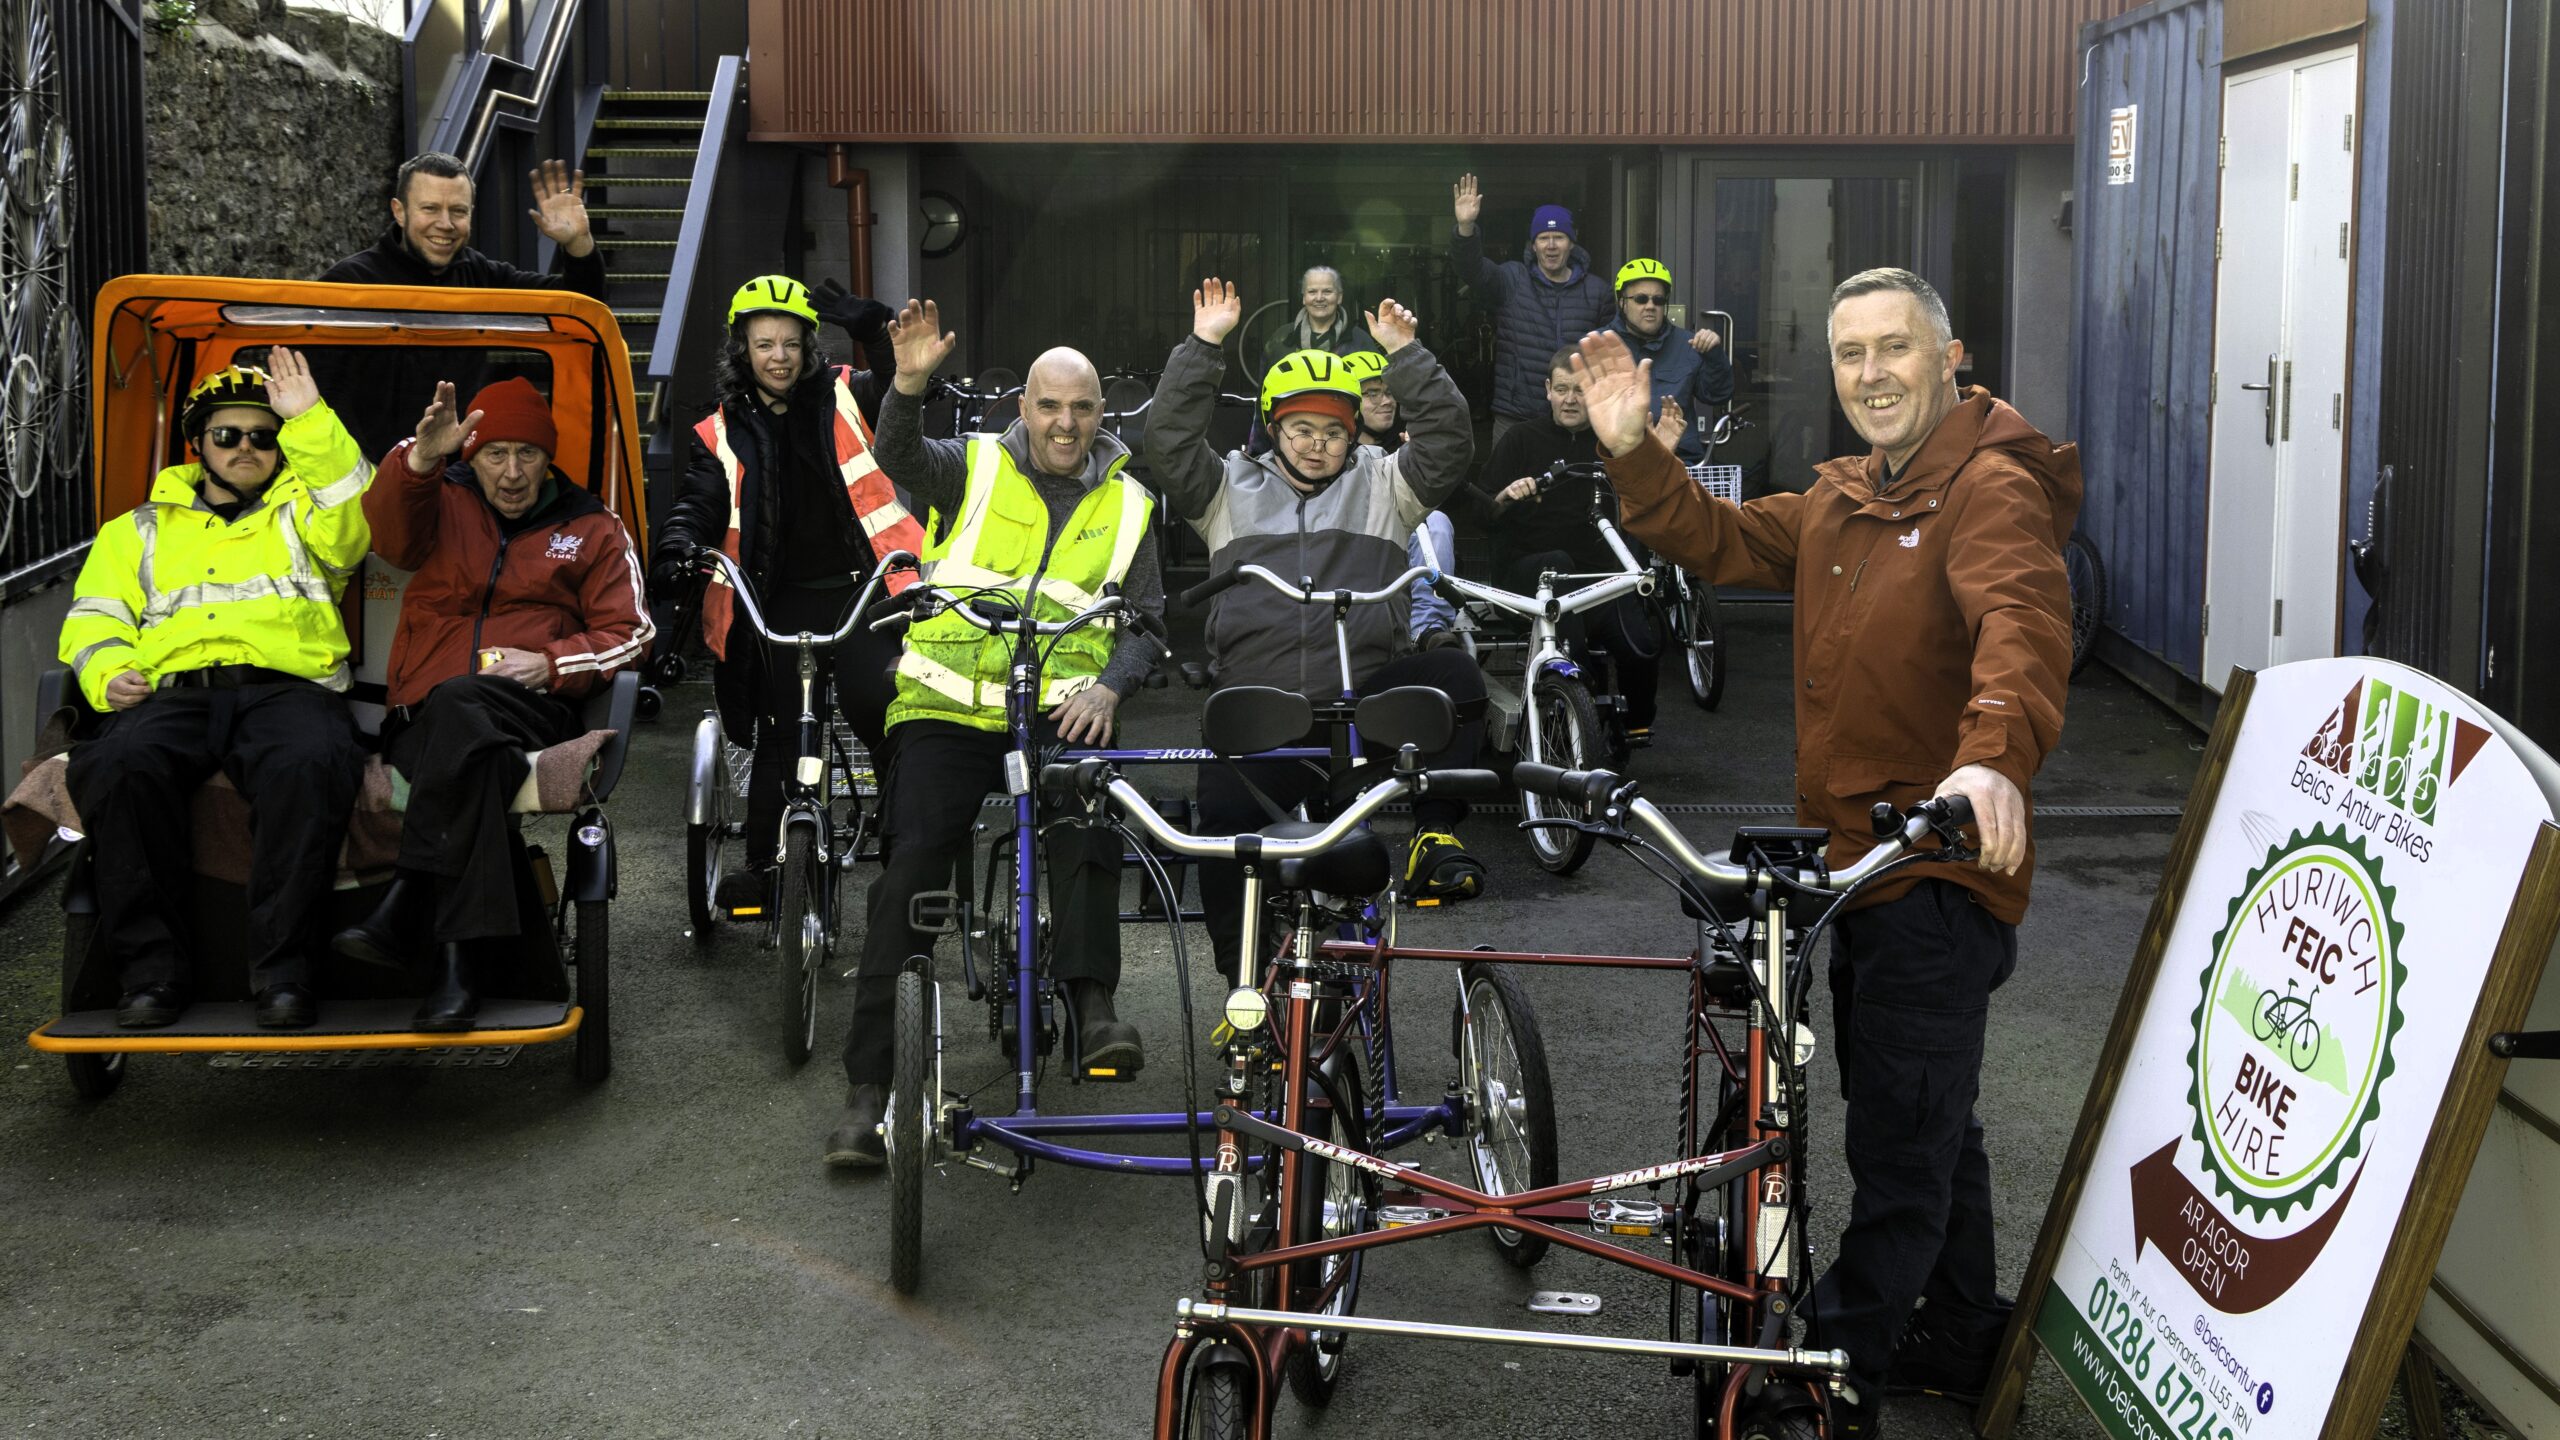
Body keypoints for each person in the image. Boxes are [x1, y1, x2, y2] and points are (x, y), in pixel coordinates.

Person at [1582, 267, 2078, 1436]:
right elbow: (1711, 537)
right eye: (1850, 353)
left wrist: (1992, 759)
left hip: (1934, 872)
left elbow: (2019, 619)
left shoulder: (1988, 489)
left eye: (1893, 348)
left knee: (1898, 1146)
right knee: (1930, 1117)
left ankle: (1825, 1374)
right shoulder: (1847, 498)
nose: (1869, 373)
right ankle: (1956, 1332)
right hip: (1854, 868)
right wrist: (1632, 452)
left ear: (1948, 358)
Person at [821, 301, 1165, 1167]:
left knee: (1087, 831)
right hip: (947, 710)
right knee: (910, 871)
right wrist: (907, 385)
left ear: (1101, 414)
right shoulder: (970, 465)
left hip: (1063, 709)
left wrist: (1112, 687)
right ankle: (870, 1090)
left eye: (1081, 408)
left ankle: (1091, 1005)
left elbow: (1147, 623)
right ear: (1024, 408)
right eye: (1050, 406)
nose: (1065, 424)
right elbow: (896, 456)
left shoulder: (1130, 504)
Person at [1148, 278, 1486, 976]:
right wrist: (1204, 346)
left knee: (1455, 675)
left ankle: (1435, 833)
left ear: (1353, 433)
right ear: (1273, 428)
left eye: (1333, 432)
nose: (1316, 445)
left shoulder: (1387, 484)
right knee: (1225, 833)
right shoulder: (1225, 490)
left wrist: (1406, 354)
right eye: (1301, 429)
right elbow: (1169, 443)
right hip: (1262, 707)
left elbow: (1451, 443)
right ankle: (1243, 985)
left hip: (1360, 703)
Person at [58, 352, 373, 1030]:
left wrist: (309, 422)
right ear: (197, 444)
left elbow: (353, 515)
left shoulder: (307, 512)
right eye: (227, 435)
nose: (246, 448)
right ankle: (151, 977)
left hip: (289, 692)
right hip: (173, 694)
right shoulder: (136, 529)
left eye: (264, 436)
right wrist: (108, 672)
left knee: (309, 765)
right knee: (117, 766)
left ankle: (284, 977)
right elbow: (95, 617)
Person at [332, 376, 653, 1032]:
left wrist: (552, 664)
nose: (511, 473)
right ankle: (458, 968)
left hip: (533, 710)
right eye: (495, 454)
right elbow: (387, 536)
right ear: (471, 458)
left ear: (548, 457)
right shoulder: (440, 500)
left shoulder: (593, 525)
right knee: (469, 742)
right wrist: (421, 459)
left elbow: (634, 634)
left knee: (464, 709)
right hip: (426, 718)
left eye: (527, 454)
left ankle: (407, 901)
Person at [652, 274, 920, 912]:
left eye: (791, 343)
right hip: (777, 601)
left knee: (885, 706)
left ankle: (906, 850)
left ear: (808, 348)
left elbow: (902, 391)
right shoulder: (717, 431)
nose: (779, 357)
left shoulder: (846, 394)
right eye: (764, 344)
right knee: (779, 730)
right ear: (742, 350)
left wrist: (874, 327)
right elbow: (698, 503)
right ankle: (767, 870)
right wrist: (677, 545)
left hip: (862, 593)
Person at [315, 154, 609, 457]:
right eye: (430, 209)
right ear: (399, 212)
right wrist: (377, 475)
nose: (445, 224)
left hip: (460, 474)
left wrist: (577, 242)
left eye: (458, 211)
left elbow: (580, 306)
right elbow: (321, 400)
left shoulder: (479, 275)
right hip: (372, 473)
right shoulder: (348, 285)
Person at [1475, 348, 1679, 746]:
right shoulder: (1520, 440)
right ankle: (1580, 703)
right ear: (1547, 390)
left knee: (1641, 646)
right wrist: (1506, 496)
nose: (1570, 399)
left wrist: (1660, 458)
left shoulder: (1611, 445)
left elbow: (1649, 505)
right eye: (1562, 389)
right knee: (1558, 563)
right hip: (1530, 580)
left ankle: (1635, 726)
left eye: (1580, 390)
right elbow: (1481, 514)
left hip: (1597, 581)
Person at [1450, 174, 1611, 448]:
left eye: (1559, 237)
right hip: (1516, 416)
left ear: (1572, 243)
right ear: (1533, 244)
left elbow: (1609, 355)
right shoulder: (1512, 279)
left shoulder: (1598, 291)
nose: (1551, 245)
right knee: (1507, 477)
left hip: (1577, 417)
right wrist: (1466, 227)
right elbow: (1472, 270)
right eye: (1544, 238)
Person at [1608, 258, 1733, 464]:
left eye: (1658, 300)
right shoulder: (1600, 345)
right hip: (1620, 461)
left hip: (1680, 460)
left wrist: (1714, 356)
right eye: (1641, 299)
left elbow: (1717, 395)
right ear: (1622, 302)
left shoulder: (1688, 344)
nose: (1650, 306)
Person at [1257, 265, 1383, 372]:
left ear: (1339, 297)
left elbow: (1376, 386)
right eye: (1312, 292)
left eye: (1327, 291)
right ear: (1304, 298)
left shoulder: (1360, 340)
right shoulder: (1281, 338)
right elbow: (1266, 387)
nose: (1319, 298)